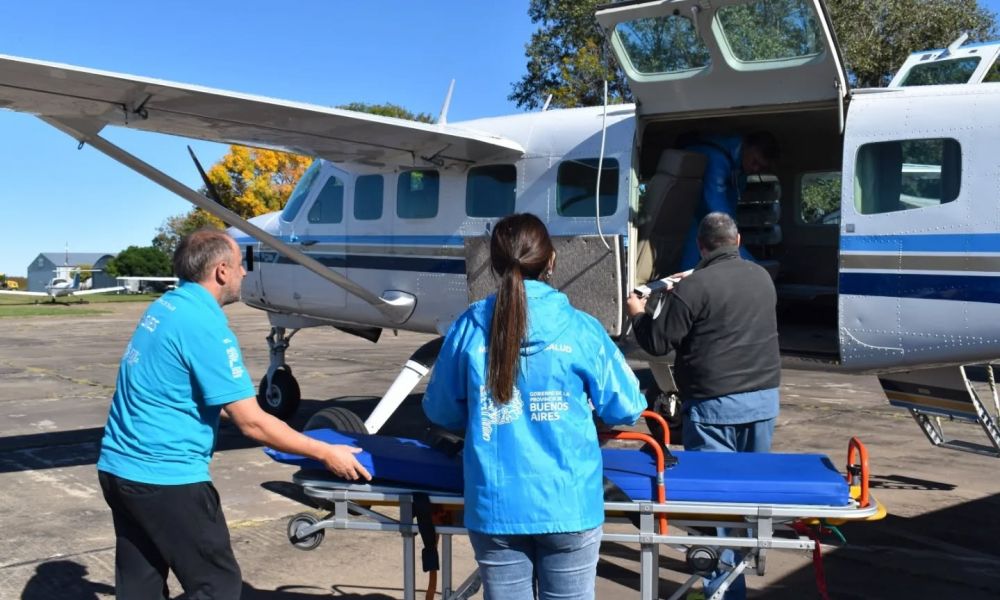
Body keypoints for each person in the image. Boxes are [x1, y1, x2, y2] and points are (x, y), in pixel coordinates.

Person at [96, 229, 371, 600]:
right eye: (242, 266)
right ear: (222, 271)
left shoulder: (166, 306)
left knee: (140, 584)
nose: (245, 274)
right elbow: (251, 421)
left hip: (118, 469)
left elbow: (180, 394)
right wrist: (325, 451)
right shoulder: (204, 325)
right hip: (166, 478)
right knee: (217, 585)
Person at [423, 213, 645, 600]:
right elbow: (625, 408)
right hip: (569, 502)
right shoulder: (582, 329)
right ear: (552, 261)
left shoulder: (469, 327)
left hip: (496, 504)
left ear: (493, 265)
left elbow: (441, 411)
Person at [626, 212, 780, 600]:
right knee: (748, 498)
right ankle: (738, 572)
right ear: (738, 240)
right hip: (763, 403)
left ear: (701, 245)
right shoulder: (762, 278)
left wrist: (638, 313)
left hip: (715, 408)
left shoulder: (695, 287)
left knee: (715, 509)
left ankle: (724, 591)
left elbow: (659, 343)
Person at [678, 131, 780, 270]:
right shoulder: (717, 158)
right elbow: (715, 203)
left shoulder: (738, 169)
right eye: (755, 162)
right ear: (746, 147)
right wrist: (750, 263)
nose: (754, 169)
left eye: (761, 167)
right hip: (696, 221)